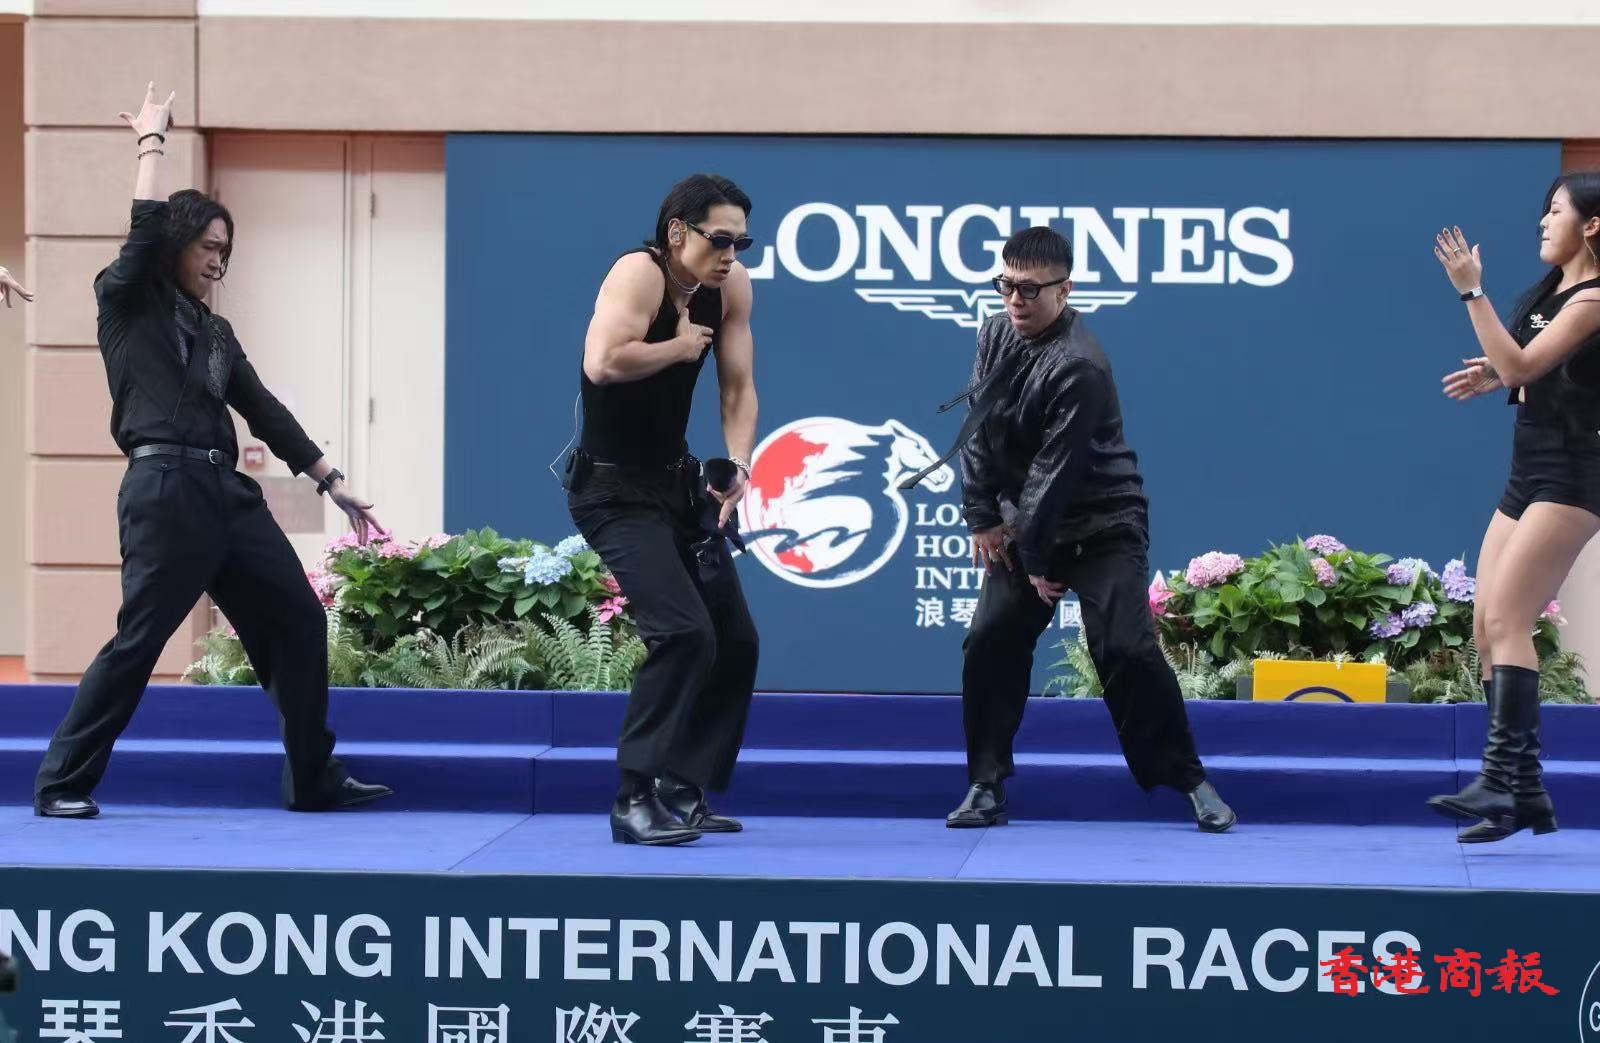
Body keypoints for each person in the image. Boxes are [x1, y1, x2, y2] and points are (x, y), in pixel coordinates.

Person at [32, 83, 393, 819]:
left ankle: (312, 779)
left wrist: (333, 481)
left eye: (226, 252)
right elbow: (143, 230)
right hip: (163, 487)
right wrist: (152, 142)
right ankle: (61, 782)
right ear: (177, 243)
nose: (218, 262)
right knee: (141, 640)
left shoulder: (216, 334)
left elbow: (264, 410)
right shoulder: (126, 299)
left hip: (226, 493)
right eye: (209, 247)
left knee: (298, 618)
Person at [901, 226, 1235, 833]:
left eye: (1030, 289)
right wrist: (982, 518)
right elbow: (978, 429)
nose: (1015, 299)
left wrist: (1035, 561)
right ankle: (985, 784)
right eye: (1005, 285)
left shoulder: (1079, 365)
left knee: (1126, 649)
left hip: (1103, 523)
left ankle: (1189, 779)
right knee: (991, 638)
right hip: (1025, 524)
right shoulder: (995, 331)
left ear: (1065, 289)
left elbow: (1053, 476)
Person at [566, 173, 761, 846]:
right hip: (611, 492)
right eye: (719, 239)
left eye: (740, 243)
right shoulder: (639, 274)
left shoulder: (730, 288)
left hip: (677, 487)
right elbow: (602, 362)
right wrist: (678, 348)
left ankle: (682, 787)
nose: (730, 254)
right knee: (682, 633)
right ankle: (633, 798)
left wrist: (739, 463)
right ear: (678, 232)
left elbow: (738, 388)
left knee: (734, 640)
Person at [1428, 172, 1600, 843]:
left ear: (1592, 224)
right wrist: (1494, 372)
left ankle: (1500, 778)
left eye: (1557, 211)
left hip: (1573, 473)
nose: (1544, 222)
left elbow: (1527, 365)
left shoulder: (1593, 297)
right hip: (1527, 469)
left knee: (1509, 618)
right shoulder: (1551, 291)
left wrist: (1472, 290)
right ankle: (1524, 793)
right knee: (1484, 625)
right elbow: (1524, 366)